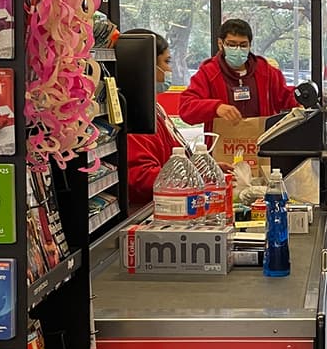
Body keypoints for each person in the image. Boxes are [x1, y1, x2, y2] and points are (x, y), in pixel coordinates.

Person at [179, 19, 298, 133]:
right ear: (220, 44)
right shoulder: (208, 73)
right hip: (223, 143)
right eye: (231, 45)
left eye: (243, 45)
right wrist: (216, 107)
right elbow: (186, 108)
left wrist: (300, 98)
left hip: (261, 142)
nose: (238, 49)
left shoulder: (266, 72)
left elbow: (286, 97)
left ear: (250, 45)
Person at [124, 29, 186, 208]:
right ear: (147, 66)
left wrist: (200, 166)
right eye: (166, 62)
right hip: (151, 209)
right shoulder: (136, 118)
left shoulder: (154, 107)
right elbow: (141, 178)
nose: (169, 69)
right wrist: (192, 176)